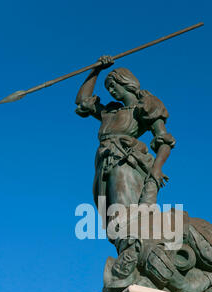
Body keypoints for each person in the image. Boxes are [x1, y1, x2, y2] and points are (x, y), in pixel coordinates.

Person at [75, 55, 176, 215]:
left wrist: (157, 168)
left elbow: (164, 141)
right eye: (108, 89)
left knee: (124, 215)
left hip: (124, 161)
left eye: (113, 86)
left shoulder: (145, 106)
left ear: (125, 82)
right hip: (102, 163)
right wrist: (96, 70)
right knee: (110, 219)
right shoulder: (110, 112)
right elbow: (82, 100)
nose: (111, 91)